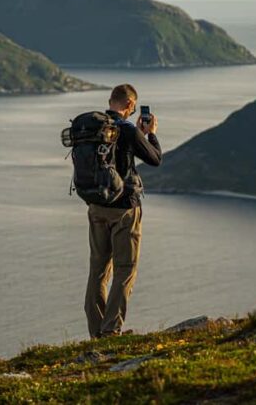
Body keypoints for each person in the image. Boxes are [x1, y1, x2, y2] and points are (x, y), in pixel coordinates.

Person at [84, 84, 162, 338]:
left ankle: (97, 331)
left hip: (96, 206)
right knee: (125, 268)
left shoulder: (94, 127)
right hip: (124, 209)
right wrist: (150, 134)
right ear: (129, 105)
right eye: (134, 108)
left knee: (98, 270)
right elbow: (155, 158)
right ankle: (110, 331)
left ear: (110, 100)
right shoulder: (127, 128)